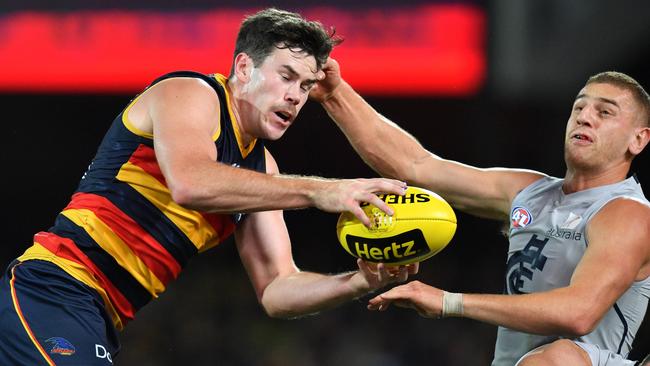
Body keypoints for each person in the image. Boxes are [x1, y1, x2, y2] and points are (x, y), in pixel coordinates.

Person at [0, 8, 418, 365]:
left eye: (306, 86)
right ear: (243, 68)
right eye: (287, 77)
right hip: (53, 289)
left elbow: (277, 289)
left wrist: (362, 281)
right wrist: (321, 191)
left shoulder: (262, 170)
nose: (295, 97)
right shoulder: (190, 92)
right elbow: (191, 182)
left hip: (98, 315)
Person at [310, 59, 650, 366]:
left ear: (638, 140)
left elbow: (579, 313)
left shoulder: (627, 213)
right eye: (579, 108)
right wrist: (335, 94)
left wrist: (450, 302)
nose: (585, 117)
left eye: (604, 112)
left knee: (557, 358)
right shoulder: (529, 192)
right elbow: (415, 165)